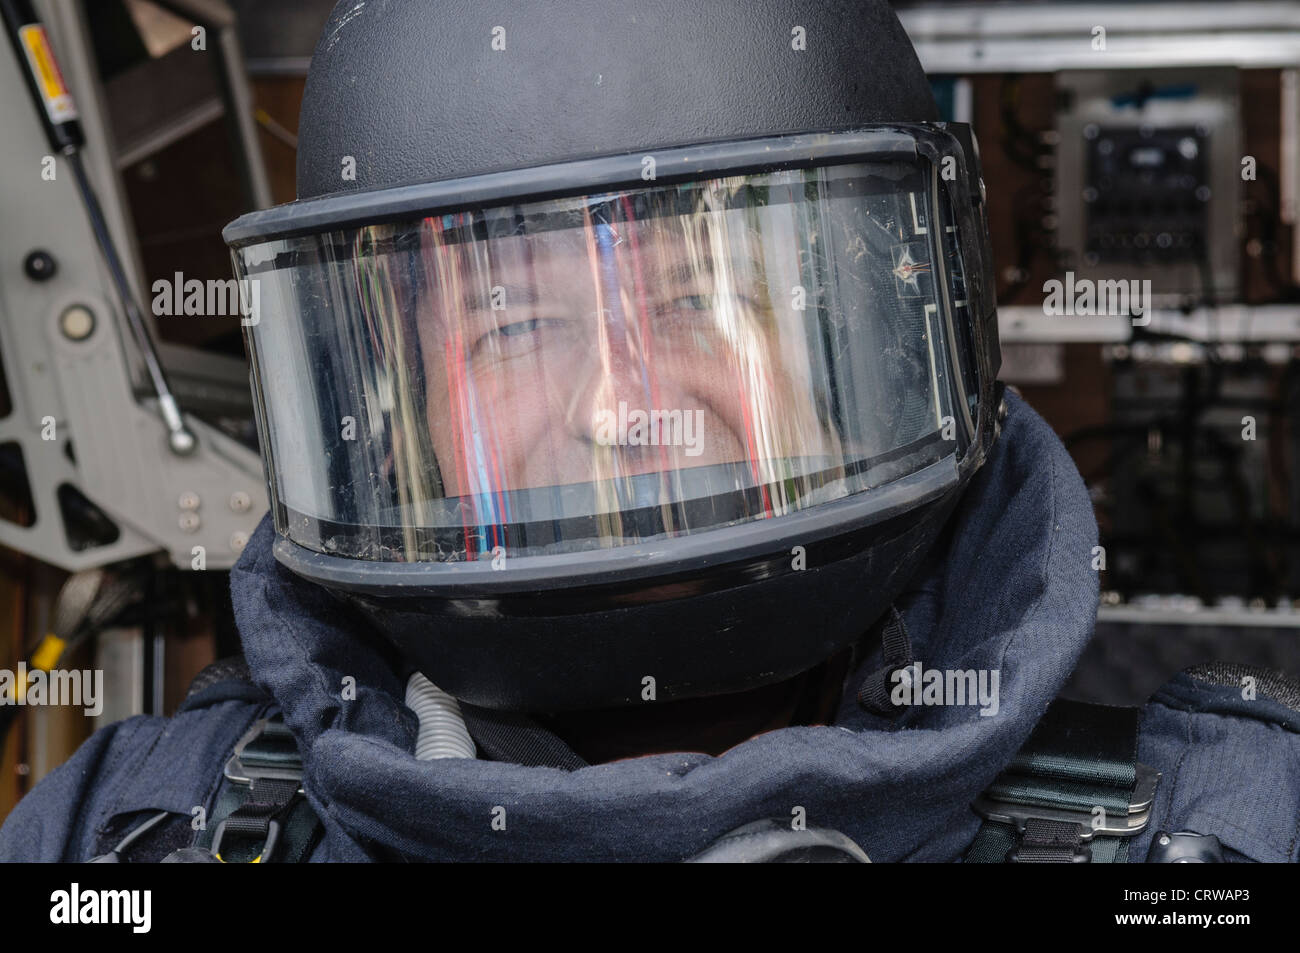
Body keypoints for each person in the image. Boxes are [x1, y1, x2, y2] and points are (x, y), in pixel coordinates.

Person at [2, 0, 1298, 863]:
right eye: (512, 327)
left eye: (697, 299)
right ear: (399, 425)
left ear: (890, 331)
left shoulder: (1223, 838)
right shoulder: (124, 834)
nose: (618, 404)